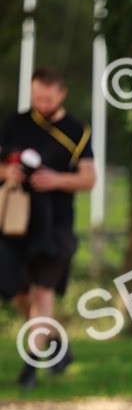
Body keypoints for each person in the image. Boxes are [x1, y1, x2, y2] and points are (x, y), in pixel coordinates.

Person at [0, 67, 96, 388]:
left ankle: (30, 367)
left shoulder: (77, 131)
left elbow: (89, 179)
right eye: (37, 98)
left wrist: (56, 180)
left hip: (54, 227)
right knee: (16, 291)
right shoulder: (15, 124)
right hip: (15, 224)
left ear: (61, 94)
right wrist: (7, 173)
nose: (41, 104)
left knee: (42, 292)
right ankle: (55, 344)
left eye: (48, 99)